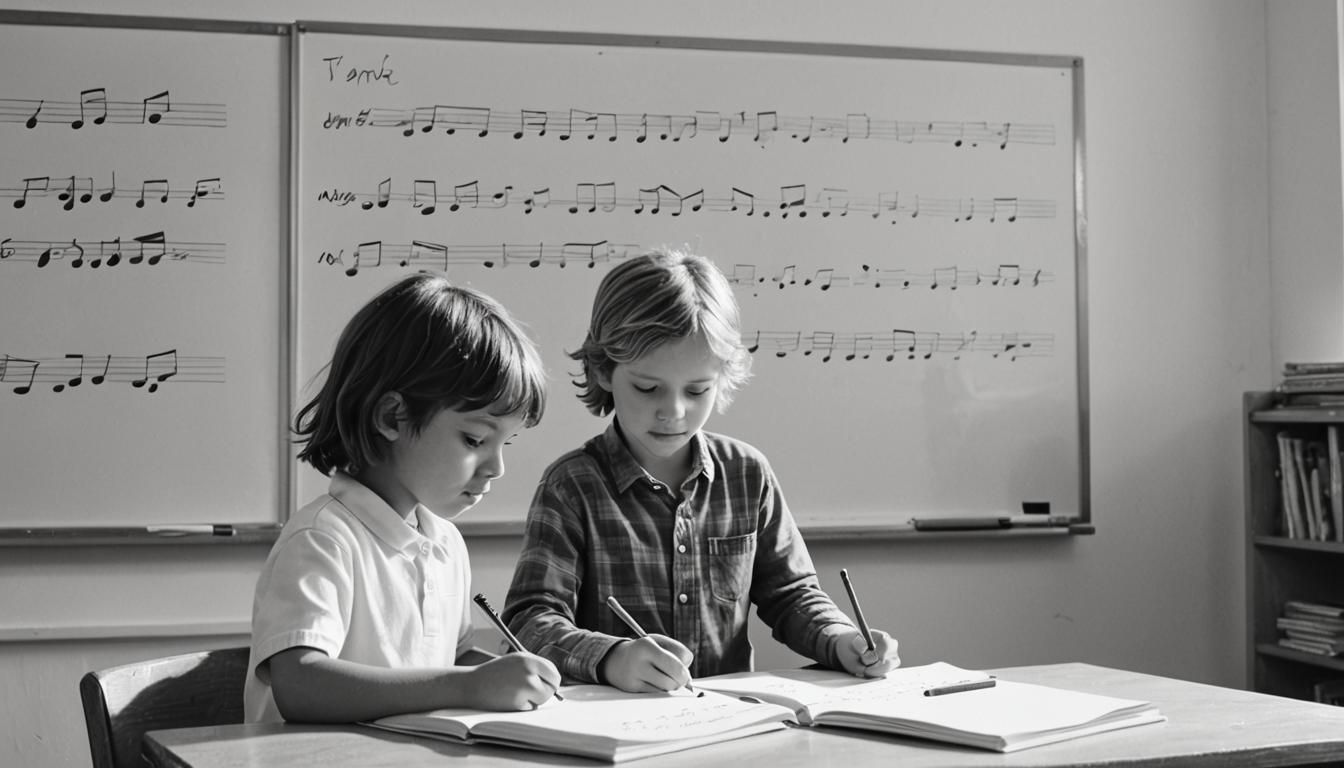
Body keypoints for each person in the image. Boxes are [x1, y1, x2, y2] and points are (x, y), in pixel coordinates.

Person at [503, 249, 899, 693]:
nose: (673, 411)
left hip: (728, 726)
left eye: (697, 390)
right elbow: (530, 622)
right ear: (602, 370)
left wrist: (840, 639)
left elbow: (791, 596)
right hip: (618, 731)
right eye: (647, 387)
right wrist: (612, 658)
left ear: (722, 378)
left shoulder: (747, 474)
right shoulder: (572, 486)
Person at [244, 272, 561, 723]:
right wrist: (468, 686)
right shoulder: (323, 539)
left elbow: (452, 661)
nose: (496, 468)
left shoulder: (445, 542)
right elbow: (300, 684)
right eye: (475, 440)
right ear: (392, 416)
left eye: (504, 445)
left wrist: (507, 679)